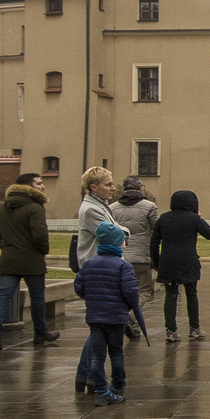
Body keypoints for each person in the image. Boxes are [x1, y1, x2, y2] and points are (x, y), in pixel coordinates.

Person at [0, 172, 59, 348]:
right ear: (28, 187)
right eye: (39, 183)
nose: (43, 186)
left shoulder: (4, 207)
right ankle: (40, 333)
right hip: (32, 260)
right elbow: (40, 234)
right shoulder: (35, 207)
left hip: (9, 259)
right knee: (37, 297)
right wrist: (43, 251)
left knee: (3, 296)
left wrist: (8, 247)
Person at [74, 221, 141, 406]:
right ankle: (118, 387)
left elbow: (79, 287)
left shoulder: (89, 264)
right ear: (118, 243)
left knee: (98, 355)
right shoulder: (123, 266)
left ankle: (101, 390)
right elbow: (131, 292)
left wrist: (92, 299)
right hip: (116, 317)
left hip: (95, 317)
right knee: (116, 353)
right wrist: (127, 306)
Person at [72, 167, 124, 393]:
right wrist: (124, 232)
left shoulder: (100, 205)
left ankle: (85, 376)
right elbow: (115, 234)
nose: (113, 188)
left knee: (99, 327)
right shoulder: (92, 209)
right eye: (108, 184)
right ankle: (88, 376)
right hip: (99, 270)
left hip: (101, 269)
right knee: (100, 327)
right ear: (94, 187)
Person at [153, 189, 210, 341]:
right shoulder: (193, 219)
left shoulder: (164, 218)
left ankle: (171, 331)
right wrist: (200, 218)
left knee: (171, 295)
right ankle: (194, 328)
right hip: (188, 260)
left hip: (168, 260)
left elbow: (154, 243)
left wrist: (156, 263)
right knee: (191, 293)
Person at [110, 177, 160, 304]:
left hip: (120, 256)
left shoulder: (112, 208)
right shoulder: (150, 206)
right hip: (141, 256)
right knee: (144, 291)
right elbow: (157, 229)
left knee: (122, 290)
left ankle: (124, 316)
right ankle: (132, 316)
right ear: (140, 188)